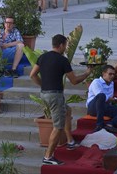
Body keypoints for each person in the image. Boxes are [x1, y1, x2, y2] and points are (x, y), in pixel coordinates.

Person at [30, 34, 91, 166]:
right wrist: (86, 74)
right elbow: (74, 81)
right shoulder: (62, 60)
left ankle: (70, 141)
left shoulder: (43, 57)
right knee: (57, 127)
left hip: (44, 94)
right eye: (65, 45)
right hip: (55, 96)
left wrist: (43, 85)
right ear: (62, 45)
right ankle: (48, 156)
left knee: (67, 111)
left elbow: (32, 75)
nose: (66, 48)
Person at [86, 65, 117, 133]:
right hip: (93, 107)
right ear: (104, 74)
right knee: (101, 96)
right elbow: (100, 96)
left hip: (105, 107)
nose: (112, 76)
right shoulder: (96, 82)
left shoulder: (111, 83)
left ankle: (110, 124)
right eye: (110, 74)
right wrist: (115, 99)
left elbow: (109, 98)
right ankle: (99, 124)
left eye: (113, 74)